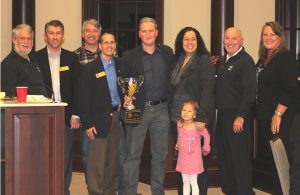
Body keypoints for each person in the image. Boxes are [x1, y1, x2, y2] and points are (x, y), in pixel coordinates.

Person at [120, 17, 174, 195]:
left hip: (162, 110)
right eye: (144, 31)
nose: (148, 34)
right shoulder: (128, 56)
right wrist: (125, 97)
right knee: (132, 155)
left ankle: (157, 192)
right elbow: (121, 83)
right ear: (139, 34)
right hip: (136, 109)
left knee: (160, 156)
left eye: (151, 30)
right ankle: (129, 192)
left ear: (156, 32)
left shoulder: (167, 52)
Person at [35, 20, 81, 195]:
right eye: (51, 33)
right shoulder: (36, 58)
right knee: (42, 154)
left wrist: (76, 114)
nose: (55, 37)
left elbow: (78, 88)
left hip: (66, 114)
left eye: (58, 33)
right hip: (42, 114)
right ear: (45, 36)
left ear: (63, 36)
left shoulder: (71, 58)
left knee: (65, 156)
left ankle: (63, 190)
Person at [169, 26, 215, 195]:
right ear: (181, 42)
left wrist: (201, 117)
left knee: (197, 163)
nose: (190, 42)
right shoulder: (179, 59)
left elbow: (208, 90)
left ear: (198, 41)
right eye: (186, 39)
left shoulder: (203, 59)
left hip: (196, 119)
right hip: (178, 118)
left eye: (193, 39)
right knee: (183, 160)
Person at [256, 21, 299, 195]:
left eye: (272, 34)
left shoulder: (285, 57)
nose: (268, 38)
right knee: (275, 162)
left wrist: (277, 114)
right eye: (265, 34)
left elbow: (291, 89)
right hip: (266, 117)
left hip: (282, 119)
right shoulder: (264, 59)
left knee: (285, 160)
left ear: (280, 37)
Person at [78, 32, 121, 195]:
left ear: (115, 45)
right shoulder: (90, 68)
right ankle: (95, 192)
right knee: (96, 163)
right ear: (100, 46)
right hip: (97, 121)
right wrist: (87, 123)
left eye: (112, 42)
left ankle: (110, 191)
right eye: (106, 43)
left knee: (113, 160)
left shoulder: (119, 65)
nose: (109, 45)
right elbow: (83, 98)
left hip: (116, 118)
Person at [215, 27, 256, 195]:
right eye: (227, 38)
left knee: (238, 158)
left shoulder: (245, 61)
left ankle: (245, 192)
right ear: (223, 41)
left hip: (237, 116)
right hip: (223, 115)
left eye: (234, 39)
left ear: (241, 41)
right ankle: (230, 190)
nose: (230, 42)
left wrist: (241, 116)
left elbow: (249, 91)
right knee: (225, 156)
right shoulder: (225, 61)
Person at [74, 18, 101, 185]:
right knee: (86, 154)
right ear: (83, 34)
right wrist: (76, 114)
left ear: (99, 33)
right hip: (86, 113)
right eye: (88, 31)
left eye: (95, 30)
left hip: (106, 112)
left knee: (107, 154)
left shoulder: (108, 53)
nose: (91, 34)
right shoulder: (74, 56)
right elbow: (74, 88)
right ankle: (91, 187)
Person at [1, 24, 47, 96]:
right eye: (22, 38)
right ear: (14, 40)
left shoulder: (34, 60)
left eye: (29, 38)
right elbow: (9, 95)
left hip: (41, 106)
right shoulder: (8, 64)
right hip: (24, 107)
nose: (26, 42)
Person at [175, 100, 211, 195]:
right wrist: (178, 144)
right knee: (185, 182)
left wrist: (206, 146)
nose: (186, 113)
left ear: (195, 115)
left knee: (193, 182)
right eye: (184, 110)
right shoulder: (179, 125)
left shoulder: (197, 126)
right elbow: (179, 136)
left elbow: (207, 135)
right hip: (183, 159)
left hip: (194, 159)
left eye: (189, 111)